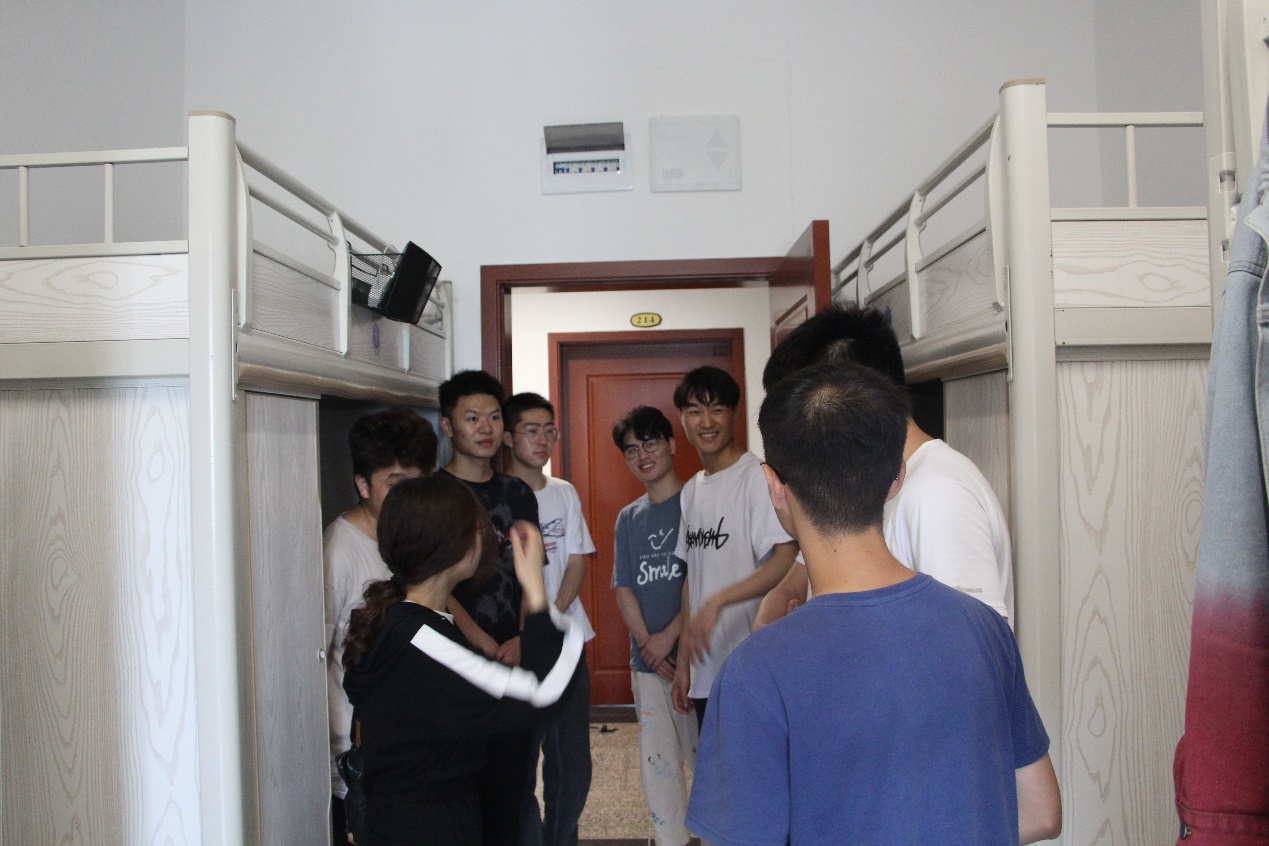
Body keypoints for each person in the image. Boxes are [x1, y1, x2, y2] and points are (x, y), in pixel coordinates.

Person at [686, 360, 1062, 845]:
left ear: (773, 487)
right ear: (896, 478)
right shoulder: (983, 628)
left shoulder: (754, 671)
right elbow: (1041, 812)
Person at [342, 474, 583, 846]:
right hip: (425, 827)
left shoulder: (400, 620)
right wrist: (534, 588)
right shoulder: (423, 640)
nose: (484, 537)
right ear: (451, 544)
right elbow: (542, 692)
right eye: (478, 528)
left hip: (407, 819)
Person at [755, 303, 1013, 628]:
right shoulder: (857, 483)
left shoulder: (937, 494)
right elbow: (813, 561)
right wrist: (779, 599)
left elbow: (971, 646)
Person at [435, 369, 542, 845]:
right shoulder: (433, 495)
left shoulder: (518, 493)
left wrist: (520, 638)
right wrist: (478, 641)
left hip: (514, 662)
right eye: (472, 417)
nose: (485, 428)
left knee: (510, 792)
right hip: (455, 664)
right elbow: (430, 582)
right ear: (447, 426)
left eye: (495, 417)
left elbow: (530, 573)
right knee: (460, 795)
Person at [324, 406, 437, 846]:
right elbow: (320, 654)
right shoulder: (339, 550)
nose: (409, 496)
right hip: (360, 751)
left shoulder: (413, 538)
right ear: (363, 485)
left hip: (413, 743)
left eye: (417, 482)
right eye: (395, 483)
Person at [669, 366, 798, 726]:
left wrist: (719, 600)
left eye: (717, 409)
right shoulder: (691, 490)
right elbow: (693, 578)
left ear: (734, 414)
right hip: (704, 667)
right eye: (695, 411)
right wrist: (683, 663)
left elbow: (786, 558)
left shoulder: (756, 478)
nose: (706, 422)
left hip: (750, 662)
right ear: (681, 419)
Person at [501, 392, 595, 846]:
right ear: (508, 437)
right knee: (518, 765)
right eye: (531, 431)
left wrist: (548, 617)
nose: (543, 440)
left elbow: (577, 559)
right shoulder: (497, 497)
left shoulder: (564, 492)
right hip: (513, 649)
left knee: (571, 764)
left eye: (549, 431)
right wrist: (528, 632)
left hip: (566, 641)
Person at [609, 406, 699, 846]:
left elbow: (707, 581)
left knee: (709, 766)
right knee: (659, 769)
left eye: (650, 444)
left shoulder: (698, 503)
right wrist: (649, 644)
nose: (642, 455)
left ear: (671, 444)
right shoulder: (629, 518)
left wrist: (670, 640)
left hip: (698, 660)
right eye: (632, 450)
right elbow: (624, 587)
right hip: (647, 667)